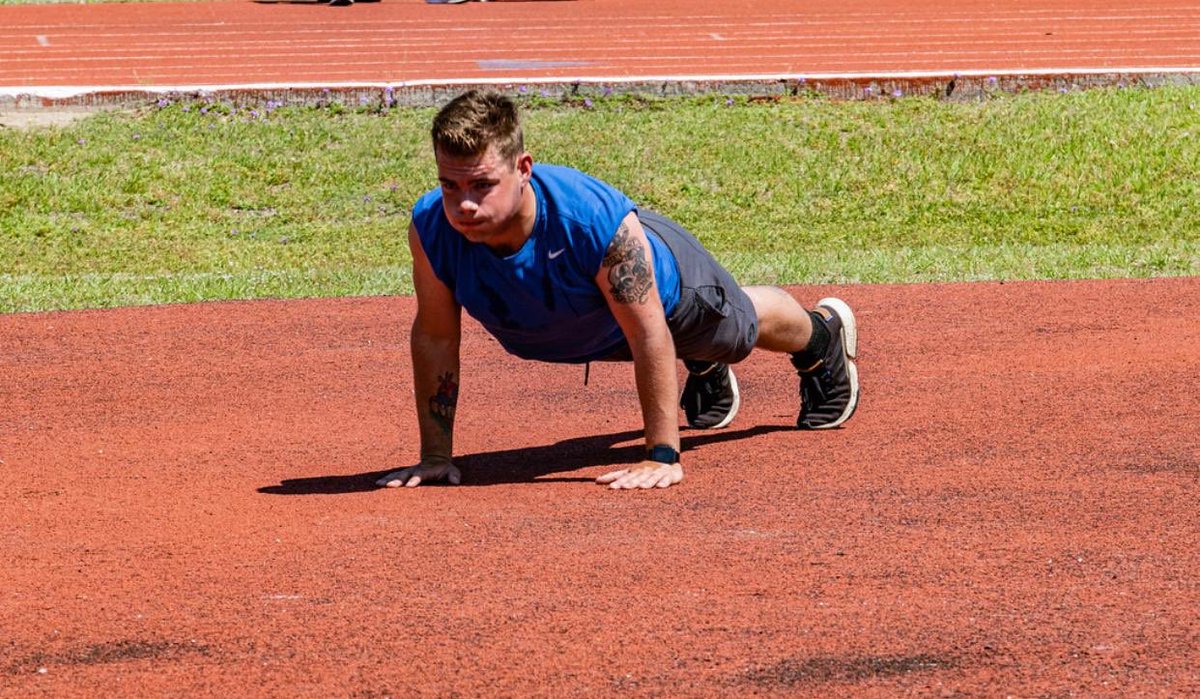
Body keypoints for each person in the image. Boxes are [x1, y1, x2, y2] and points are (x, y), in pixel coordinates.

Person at [376, 90, 859, 491]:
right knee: (655, 335)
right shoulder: (432, 227)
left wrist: (662, 455)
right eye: (450, 185)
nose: (463, 204)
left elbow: (649, 331)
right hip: (594, 326)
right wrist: (435, 455)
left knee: (739, 329)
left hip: (676, 299)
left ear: (523, 168)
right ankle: (699, 360)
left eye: (482, 185)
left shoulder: (590, 221)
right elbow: (436, 337)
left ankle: (822, 336)